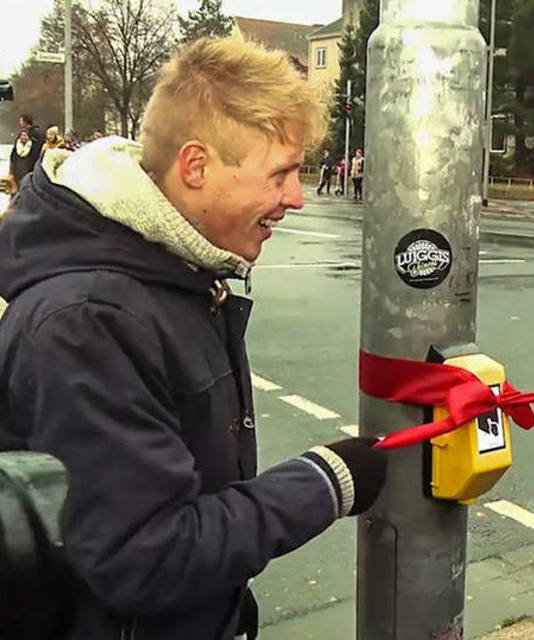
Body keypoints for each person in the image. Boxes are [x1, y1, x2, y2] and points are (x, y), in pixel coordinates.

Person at [0, 37, 387, 640]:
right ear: (197, 166)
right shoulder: (87, 321)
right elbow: (146, 555)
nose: (297, 197)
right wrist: (323, 483)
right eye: (280, 174)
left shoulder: (174, 274)